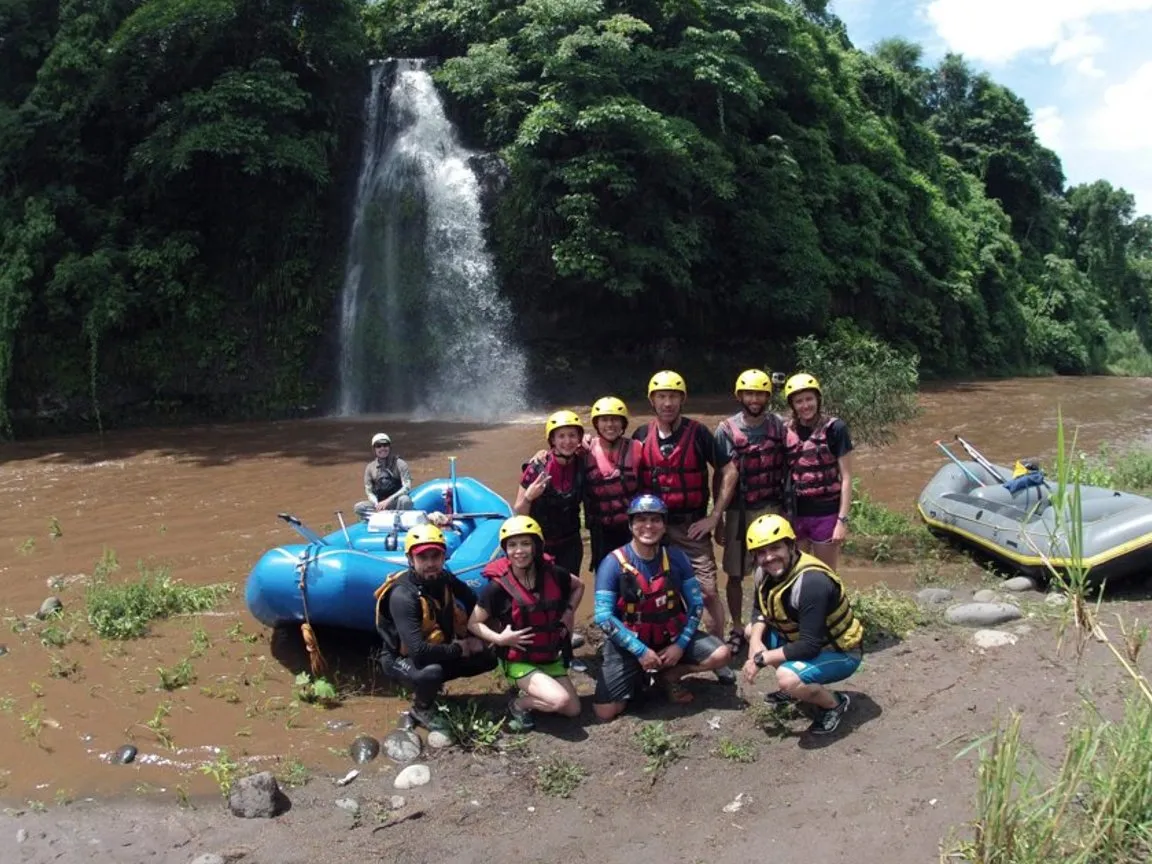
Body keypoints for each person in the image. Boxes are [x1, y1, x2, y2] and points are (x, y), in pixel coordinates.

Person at [592, 494, 731, 721]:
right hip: (631, 642)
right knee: (605, 712)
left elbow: (696, 605)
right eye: (641, 520)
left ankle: (670, 676)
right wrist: (640, 651)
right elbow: (603, 617)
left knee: (722, 654)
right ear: (630, 524)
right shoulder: (612, 563)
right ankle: (640, 676)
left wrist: (680, 645)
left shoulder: (677, 558)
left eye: (655, 520)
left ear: (665, 525)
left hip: (669, 637)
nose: (648, 526)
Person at [740, 513, 862, 736]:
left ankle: (834, 704)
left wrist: (761, 659)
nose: (768, 558)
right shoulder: (763, 573)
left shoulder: (812, 583)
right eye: (761, 552)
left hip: (839, 651)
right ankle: (796, 689)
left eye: (775, 548)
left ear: (790, 545)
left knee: (786, 677)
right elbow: (760, 610)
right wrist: (756, 642)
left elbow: (809, 646)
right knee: (751, 631)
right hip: (802, 640)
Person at [632, 371, 728, 647]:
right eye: (661, 397)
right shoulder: (640, 435)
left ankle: (717, 650)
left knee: (707, 592)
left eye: (673, 396)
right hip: (653, 529)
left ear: (682, 400)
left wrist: (715, 516)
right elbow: (614, 457)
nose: (667, 403)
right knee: (652, 590)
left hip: (691, 526)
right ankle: (659, 643)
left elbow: (728, 469)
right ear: (652, 401)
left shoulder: (698, 433)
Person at [374, 524, 497, 730]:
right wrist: (461, 648)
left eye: (436, 556)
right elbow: (419, 653)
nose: (431, 563)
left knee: (489, 658)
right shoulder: (403, 596)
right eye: (423, 558)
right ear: (411, 560)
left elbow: (472, 599)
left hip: (435, 648)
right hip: (400, 659)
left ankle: (432, 688)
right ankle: (420, 708)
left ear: (443, 557)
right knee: (431, 672)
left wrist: (485, 632)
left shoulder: (444, 578)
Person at [469, 516, 584, 732]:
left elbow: (579, 586)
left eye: (525, 543)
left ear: (536, 546)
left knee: (573, 709)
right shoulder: (497, 588)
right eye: (512, 545)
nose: (519, 551)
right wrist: (500, 638)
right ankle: (518, 704)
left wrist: (568, 611)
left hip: (549, 655)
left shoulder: (554, 573)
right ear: (505, 549)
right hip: (519, 659)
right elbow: (473, 623)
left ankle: (539, 689)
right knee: (559, 700)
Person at [712, 369, 788, 651]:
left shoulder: (779, 426)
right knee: (734, 573)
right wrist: (717, 519)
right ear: (739, 395)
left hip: (771, 507)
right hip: (738, 512)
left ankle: (771, 623)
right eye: (749, 393)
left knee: (775, 569)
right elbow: (719, 476)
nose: (754, 399)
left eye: (760, 394)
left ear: (768, 397)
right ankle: (737, 626)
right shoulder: (725, 430)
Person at [783, 373, 854, 570]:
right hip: (796, 513)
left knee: (826, 573)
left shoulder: (835, 429)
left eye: (809, 399)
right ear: (792, 405)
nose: (805, 405)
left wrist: (842, 521)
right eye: (799, 401)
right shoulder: (785, 430)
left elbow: (847, 477)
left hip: (826, 512)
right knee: (797, 571)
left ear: (818, 400)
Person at [514, 411, 585, 574]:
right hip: (541, 545)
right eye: (561, 436)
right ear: (552, 440)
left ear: (579, 438)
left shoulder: (583, 462)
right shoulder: (537, 467)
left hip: (570, 545)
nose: (567, 441)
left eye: (572, 435)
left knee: (568, 591)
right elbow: (519, 511)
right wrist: (528, 497)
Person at [582, 396, 644, 573]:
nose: (610, 425)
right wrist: (540, 453)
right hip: (600, 530)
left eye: (615, 420)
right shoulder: (584, 450)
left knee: (634, 577)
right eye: (604, 420)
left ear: (623, 423)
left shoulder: (637, 448)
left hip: (631, 528)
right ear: (596, 424)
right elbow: (558, 454)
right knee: (605, 578)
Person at [354, 433, 414, 520]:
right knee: (359, 507)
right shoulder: (370, 468)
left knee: (405, 500)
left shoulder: (400, 464)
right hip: (379, 503)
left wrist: (388, 501)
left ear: (389, 447)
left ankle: (401, 521)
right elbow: (369, 491)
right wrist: (376, 504)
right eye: (378, 446)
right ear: (374, 449)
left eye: (385, 445)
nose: (382, 448)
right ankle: (379, 519)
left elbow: (407, 487)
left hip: (396, 502)